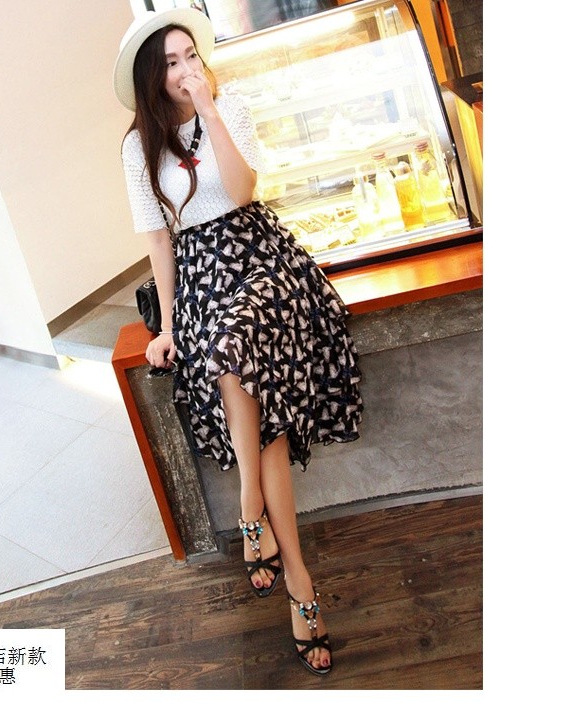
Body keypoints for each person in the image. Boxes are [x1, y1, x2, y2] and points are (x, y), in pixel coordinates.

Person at [113, 7, 362, 676]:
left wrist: (210, 111)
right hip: (200, 273)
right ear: (150, 76)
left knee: (231, 348)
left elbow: (244, 189)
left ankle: (251, 509)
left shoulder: (233, 108)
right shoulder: (137, 148)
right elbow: (159, 242)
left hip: (259, 259)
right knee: (253, 394)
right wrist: (168, 328)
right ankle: (300, 582)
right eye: (171, 63)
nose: (185, 69)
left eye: (190, 55)